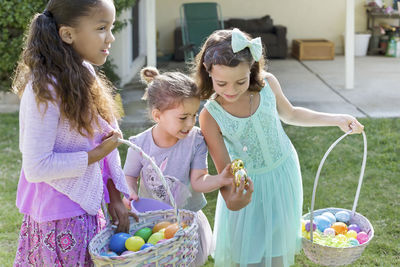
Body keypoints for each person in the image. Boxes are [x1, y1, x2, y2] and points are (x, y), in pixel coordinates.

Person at [195, 28, 364, 267]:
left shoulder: (267, 85)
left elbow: (292, 114)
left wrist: (336, 119)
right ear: (208, 72)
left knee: (278, 245)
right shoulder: (210, 115)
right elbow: (226, 172)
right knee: (249, 251)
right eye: (222, 83)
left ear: (251, 69)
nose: (231, 90)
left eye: (240, 81)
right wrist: (232, 199)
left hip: (283, 173)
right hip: (249, 186)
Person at [12, 0, 137, 266]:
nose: (111, 37)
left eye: (111, 27)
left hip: (88, 209)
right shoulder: (43, 89)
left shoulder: (85, 72)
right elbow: (36, 166)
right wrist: (93, 155)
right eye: (102, 28)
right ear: (67, 34)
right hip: (57, 218)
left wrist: (114, 196)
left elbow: (106, 139)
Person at [123, 67, 237, 266]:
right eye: (183, 117)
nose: (191, 123)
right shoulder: (139, 144)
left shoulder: (196, 140)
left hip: (186, 222)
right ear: (157, 115)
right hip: (152, 224)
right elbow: (129, 176)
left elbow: (199, 180)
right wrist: (130, 192)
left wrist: (221, 179)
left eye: (194, 115)